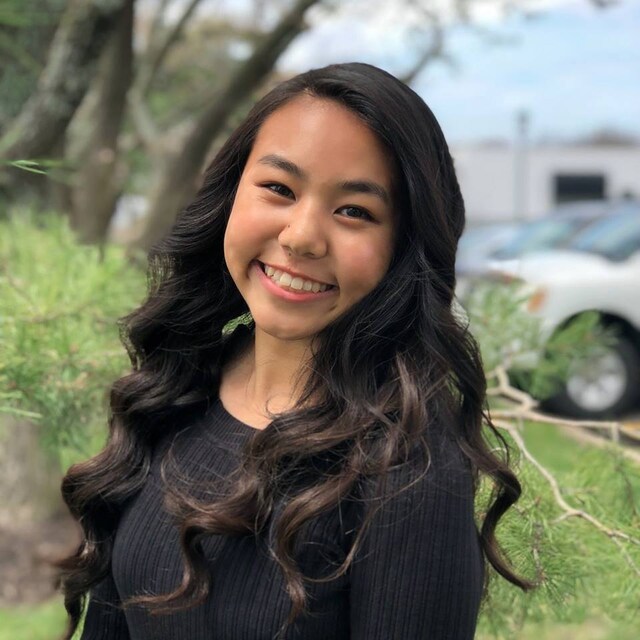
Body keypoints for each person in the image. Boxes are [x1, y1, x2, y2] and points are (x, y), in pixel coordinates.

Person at [57, 62, 529, 640]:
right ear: (231, 194)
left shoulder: (408, 468)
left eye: (354, 211)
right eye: (279, 189)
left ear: (403, 248)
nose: (302, 236)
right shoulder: (176, 388)